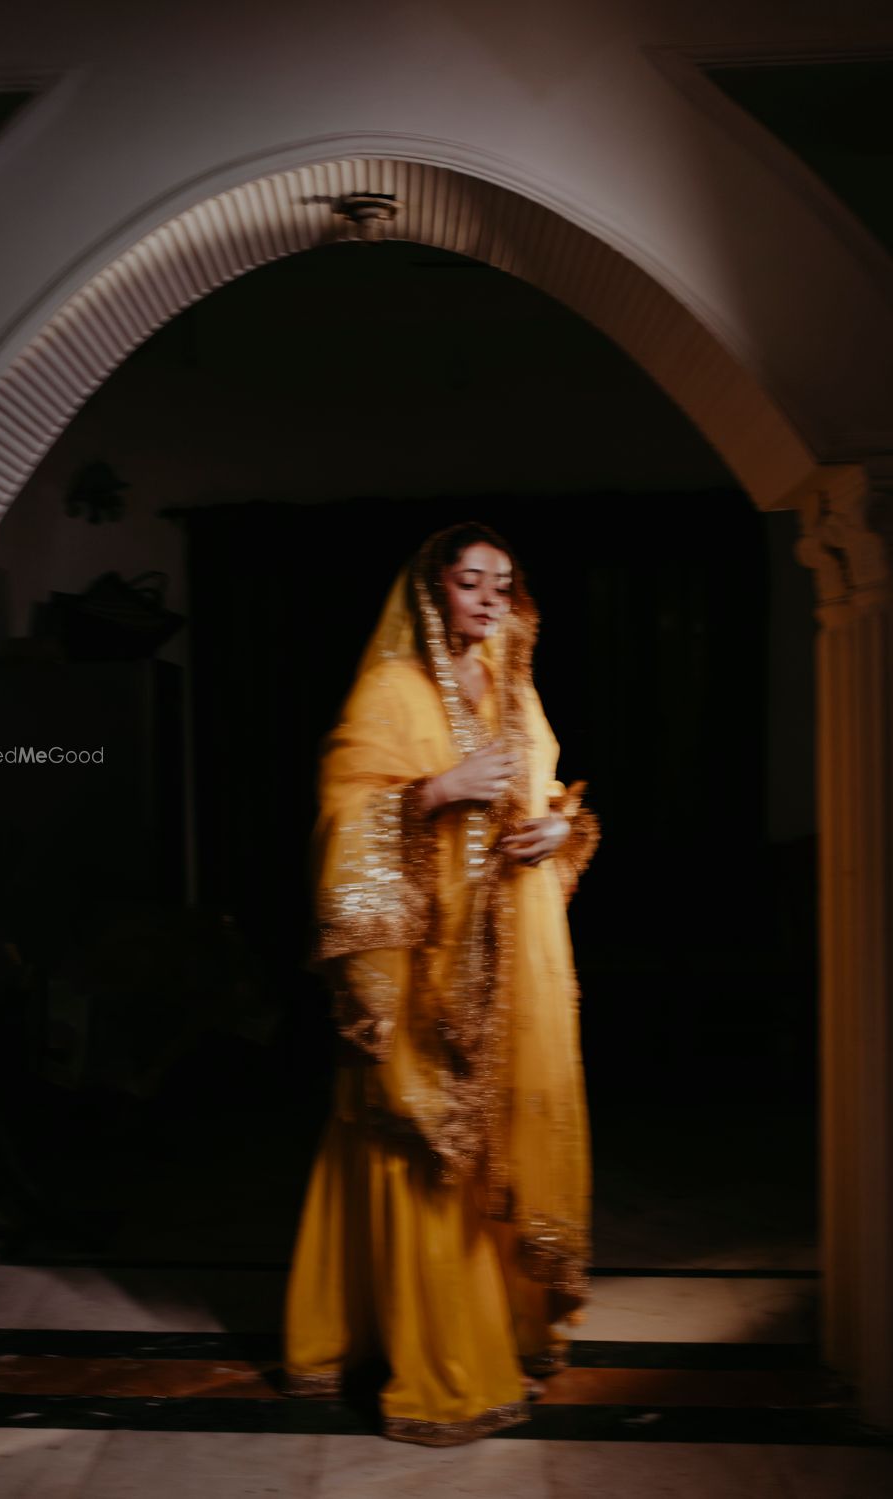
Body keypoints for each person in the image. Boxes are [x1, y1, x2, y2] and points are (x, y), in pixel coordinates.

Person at [283, 521, 599, 1446]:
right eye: (470, 581)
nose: (490, 598)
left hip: (512, 961)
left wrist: (559, 829)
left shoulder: (516, 689)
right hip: (419, 965)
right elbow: (344, 810)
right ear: (433, 592)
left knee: (501, 1136)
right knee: (421, 1140)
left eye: (503, 582)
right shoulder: (393, 687)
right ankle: (435, 1361)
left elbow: (548, 799)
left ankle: (502, 1324)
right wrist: (434, 791)